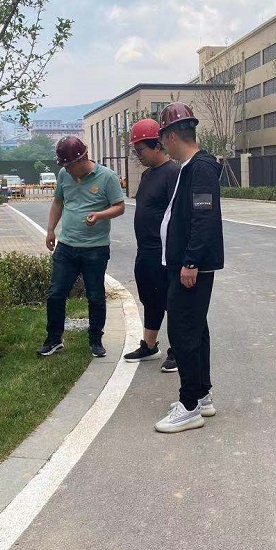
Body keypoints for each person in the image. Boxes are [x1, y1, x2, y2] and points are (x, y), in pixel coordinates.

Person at [154, 102, 224, 434]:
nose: (162, 145)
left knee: (183, 333)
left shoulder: (201, 168)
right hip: (184, 265)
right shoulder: (190, 167)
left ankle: (189, 405)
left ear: (171, 135)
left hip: (191, 267)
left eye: (162, 138)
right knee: (195, 331)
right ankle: (202, 395)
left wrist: (191, 261)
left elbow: (204, 218)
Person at [38, 136, 125, 358]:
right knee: (56, 293)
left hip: (95, 248)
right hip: (66, 246)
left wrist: (100, 215)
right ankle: (54, 339)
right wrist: (50, 230)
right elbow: (58, 202)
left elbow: (119, 207)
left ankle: (95, 340)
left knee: (95, 296)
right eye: (64, 165)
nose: (66, 169)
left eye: (69, 165)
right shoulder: (64, 175)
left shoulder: (107, 177)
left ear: (82, 159)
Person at [123, 118, 181, 372]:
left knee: (171, 301)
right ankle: (149, 345)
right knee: (150, 298)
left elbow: (178, 216)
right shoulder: (147, 175)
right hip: (144, 250)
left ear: (157, 145)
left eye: (141, 150)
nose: (139, 156)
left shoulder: (173, 173)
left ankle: (178, 350)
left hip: (164, 251)